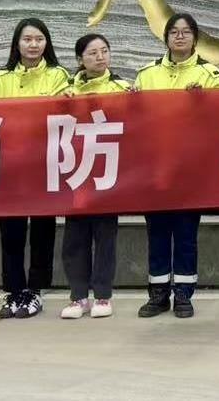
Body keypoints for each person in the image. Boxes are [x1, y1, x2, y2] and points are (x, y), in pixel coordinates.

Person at [134, 13, 219, 320]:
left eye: (186, 32)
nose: (180, 36)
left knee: (185, 235)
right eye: (174, 32)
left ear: (195, 38)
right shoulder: (147, 75)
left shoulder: (210, 76)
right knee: (157, 234)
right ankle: (158, 295)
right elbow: (134, 119)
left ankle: (184, 294)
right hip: (155, 169)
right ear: (166, 38)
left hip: (190, 170)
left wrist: (204, 101)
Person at [0, 17, 71, 319]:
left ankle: (35, 291)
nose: (33, 45)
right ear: (17, 44)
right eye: (27, 39)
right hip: (9, 166)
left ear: (47, 43)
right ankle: (13, 291)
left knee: (42, 231)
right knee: (11, 232)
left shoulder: (60, 76)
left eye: (39, 39)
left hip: (44, 165)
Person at [60, 32, 129, 320]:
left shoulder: (122, 88)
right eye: (92, 53)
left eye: (104, 51)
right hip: (75, 172)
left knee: (105, 237)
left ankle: (102, 295)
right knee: (75, 238)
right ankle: (78, 296)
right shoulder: (65, 90)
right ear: (80, 59)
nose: (100, 57)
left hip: (107, 173)